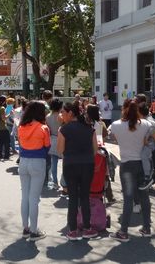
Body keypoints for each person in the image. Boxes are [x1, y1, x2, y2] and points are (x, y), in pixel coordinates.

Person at [108, 99, 154, 242]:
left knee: (128, 199)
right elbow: (150, 140)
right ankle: (147, 228)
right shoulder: (146, 124)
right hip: (142, 164)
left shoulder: (116, 125)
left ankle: (124, 231)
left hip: (127, 164)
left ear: (124, 109)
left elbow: (111, 137)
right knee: (144, 197)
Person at [58, 101, 98, 240]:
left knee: (73, 198)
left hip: (70, 165)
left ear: (70, 113)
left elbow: (60, 150)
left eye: (63, 112)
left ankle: (73, 230)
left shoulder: (63, 129)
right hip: (87, 164)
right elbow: (95, 150)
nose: (61, 115)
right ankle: (87, 228)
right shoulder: (89, 128)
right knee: (85, 196)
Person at [17, 101, 50, 241]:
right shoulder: (43, 128)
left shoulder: (21, 126)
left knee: (25, 196)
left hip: (23, 161)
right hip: (38, 162)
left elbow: (20, 144)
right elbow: (47, 146)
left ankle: (26, 228)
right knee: (34, 198)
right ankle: (34, 230)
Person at [137, 102, 155, 191]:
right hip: (145, 145)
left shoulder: (149, 122)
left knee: (144, 155)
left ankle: (147, 176)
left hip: (150, 145)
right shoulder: (142, 120)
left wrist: (148, 142)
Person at [46, 99, 63, 190]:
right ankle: (64, 182)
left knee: (54, 162)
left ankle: (55, 182)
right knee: (65, 162)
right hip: (61, 139)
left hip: (51, 139)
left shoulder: (47, 117)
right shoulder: (61, 117)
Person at [0, 95, 11, 160]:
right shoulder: (2, 108)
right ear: (4, 101)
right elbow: (4, 118)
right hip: (3, 127)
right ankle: (6, 156)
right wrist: (9, 114)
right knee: (7, 142)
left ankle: (0, 155)